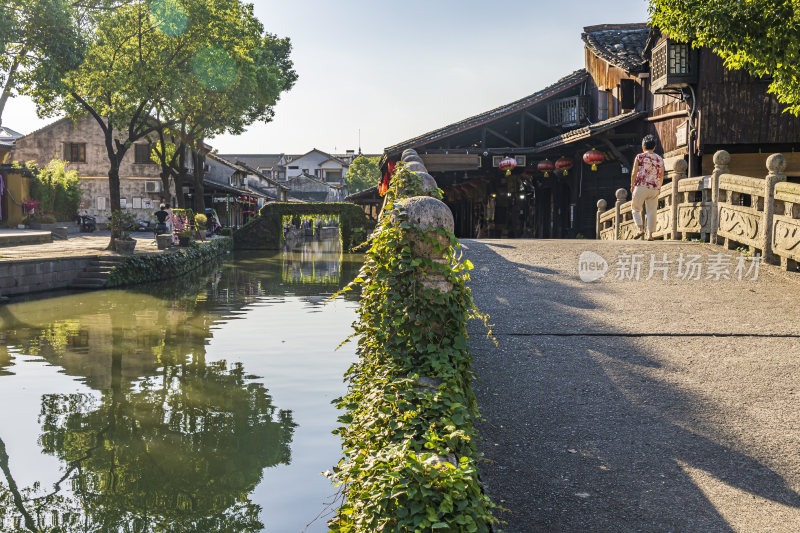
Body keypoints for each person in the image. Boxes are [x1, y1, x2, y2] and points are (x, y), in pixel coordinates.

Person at [630, 134, 665, 241]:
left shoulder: (640, 157)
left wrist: (632, 185)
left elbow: (634, 172)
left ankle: (641, 229)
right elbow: (661, 175)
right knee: (652, 211)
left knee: (635, 208)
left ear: (643, 147)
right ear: (654, 147)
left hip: (641, 186)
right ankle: (650, 236)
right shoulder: (660, 159)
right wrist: (659, 187)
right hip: (654, 188)